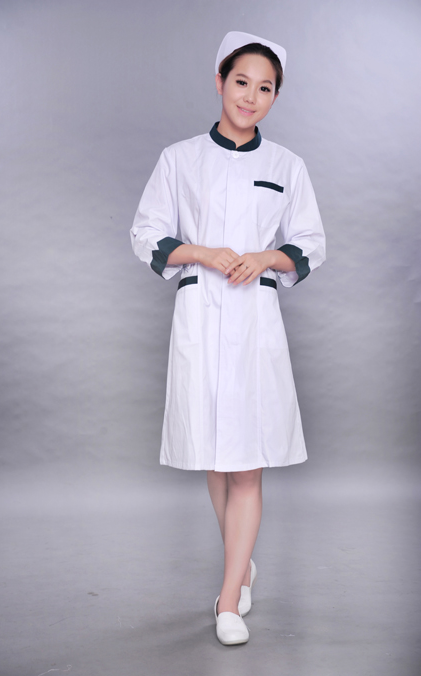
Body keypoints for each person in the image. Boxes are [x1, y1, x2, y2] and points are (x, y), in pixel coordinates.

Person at [130, 31, 326, 645]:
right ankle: (242, 565)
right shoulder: (179, 159)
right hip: (199, 317)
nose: (250, 96)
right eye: (241, 82)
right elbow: (146, 234)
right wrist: (202, 252)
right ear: (220, 83)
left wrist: (265, 257)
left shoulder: (286, 166)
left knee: (247, 464)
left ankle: (227, 599)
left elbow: (311, 245)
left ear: (274, 98)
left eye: (265, 88)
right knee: (215, 457)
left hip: (256, 324)